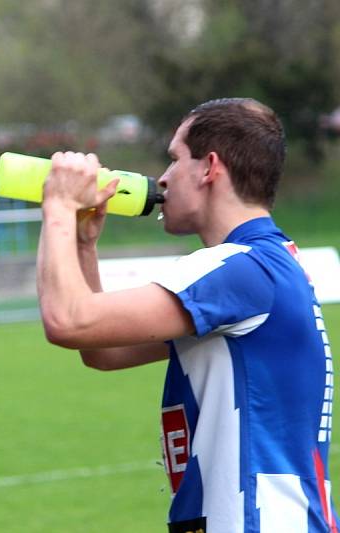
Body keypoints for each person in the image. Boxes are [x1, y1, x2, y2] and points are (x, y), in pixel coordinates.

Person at [37, 98, 338, 532]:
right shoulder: (264, 266)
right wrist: (83, 244)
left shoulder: (240, 267)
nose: (162, 177)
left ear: (209, 167)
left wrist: (59, 208)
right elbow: (102, 350)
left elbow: (67, 321)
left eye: (175, 159)